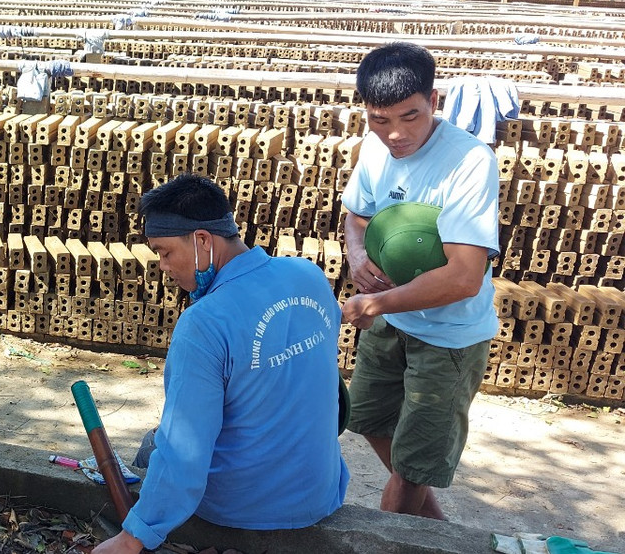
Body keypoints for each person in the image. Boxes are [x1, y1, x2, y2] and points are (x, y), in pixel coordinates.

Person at [94, 174, 348, 554]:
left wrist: (133, 539)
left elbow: (185, 453)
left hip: (244, 507)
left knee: (156, 447)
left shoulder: (204, 323)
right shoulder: (308, 275)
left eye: (165, 252)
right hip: (320, 492)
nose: (162, 266)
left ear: (201, 241)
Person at [340, 41, 499, 520]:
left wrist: (377, 304)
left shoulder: (470, 162)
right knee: (366, 416)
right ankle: (435, 530)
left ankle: (392, 531)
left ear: (434, 102)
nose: (395, 135)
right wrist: (356, 253)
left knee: (411, 470)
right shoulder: (374, 146)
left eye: (410, 117)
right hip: (392, 317)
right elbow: (357, 213)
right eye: (379, 120)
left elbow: (465, 278)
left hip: (448, 337)